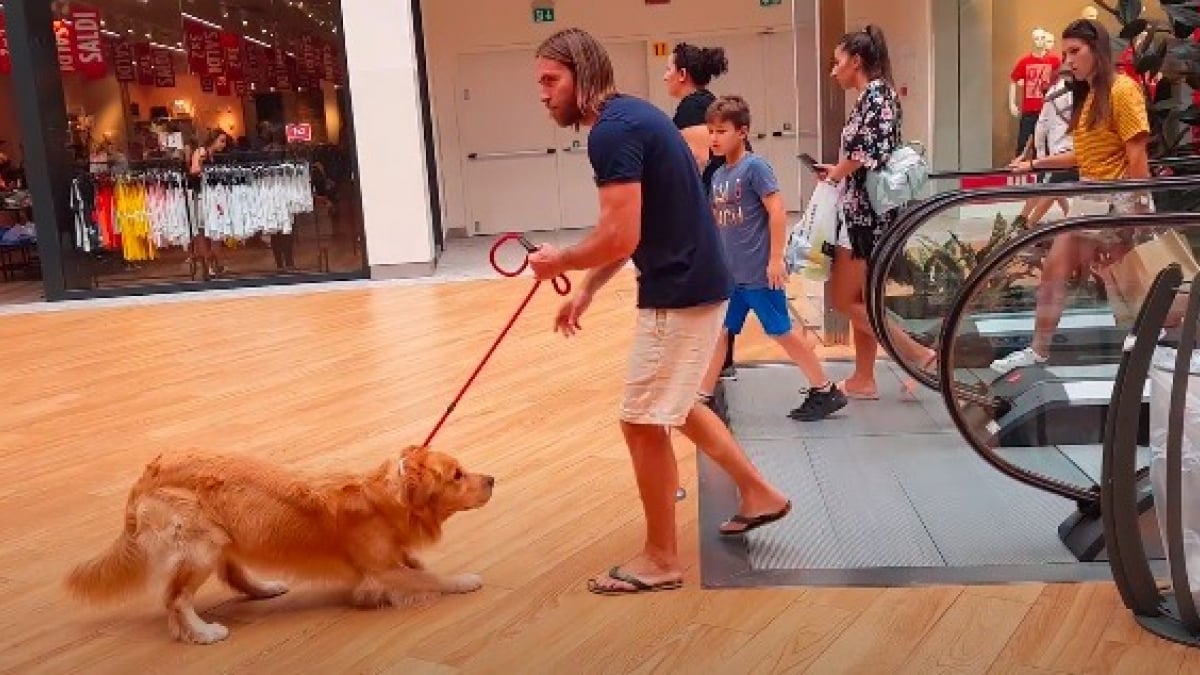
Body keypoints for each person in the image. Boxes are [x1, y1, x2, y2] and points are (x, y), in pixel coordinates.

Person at [526, 27, 792, 595]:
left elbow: (619, 235)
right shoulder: (630, 119)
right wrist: (589, 287)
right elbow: (632, 231)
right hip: (690, 281)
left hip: (683, 289)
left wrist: (562, 262)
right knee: (674, 406)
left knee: (641, 420)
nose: (543, 94)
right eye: (540, 83)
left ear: (582, 73)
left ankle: (660, 558)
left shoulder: (612, 133)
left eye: (551, 80)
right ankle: (759, 493)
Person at [992, 18, 1152, 374]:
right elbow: (1085, 155)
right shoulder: (1089, 94)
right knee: (1056, 271)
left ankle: (1143, 351)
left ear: (1097, 49)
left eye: (1075, 52)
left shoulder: (1123, 91)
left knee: (1121, 282)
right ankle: (1038, 351)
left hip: (1118, 201)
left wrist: (1139, 216)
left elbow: (1137, 155)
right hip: (1091, 198)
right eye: (1065, 53)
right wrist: (1033, 161)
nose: (1068, 61)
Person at [697, 95, 847, 421]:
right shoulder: (720, 175)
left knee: (781, 332)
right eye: (711, 131)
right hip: (731, 276)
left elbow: (776, 210)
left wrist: (775, 259)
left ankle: (825, 389)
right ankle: (704, 397)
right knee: (721, 332)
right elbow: (715, 221)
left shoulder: (755, 168)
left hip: (758, 275)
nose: (713, 138)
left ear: (743, 131)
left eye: (721, 131)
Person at [816, 25, 938, 400]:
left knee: (843, 300)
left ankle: (919, 354)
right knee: (863, 300)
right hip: (861, 210)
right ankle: (864, 378)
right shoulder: (873, 95)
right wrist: (838, 172)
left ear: (856, 61)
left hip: (865, 217)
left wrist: (837, 172)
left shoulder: (877, 95)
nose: (832, 70)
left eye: (837, 62)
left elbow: (868, 152)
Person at [665, 42, 738, 380]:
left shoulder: (692, 109)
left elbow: (692, 163)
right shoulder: (707, 103)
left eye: (668, 69)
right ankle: (717, 361)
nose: (665, 76)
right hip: (727, 207)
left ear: (683, 74)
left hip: (720, 210)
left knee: (720, 286)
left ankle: (714, 365)